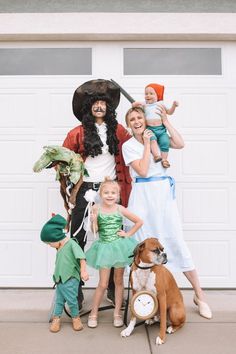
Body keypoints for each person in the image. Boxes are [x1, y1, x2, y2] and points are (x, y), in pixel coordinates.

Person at [122, 106, 212, 320]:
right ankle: (143, 299)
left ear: (146, 119)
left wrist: (165, 122)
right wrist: (146, 143)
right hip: (143, 197)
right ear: (129, 125)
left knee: (176, 242)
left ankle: (200, 296)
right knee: (141, 246)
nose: (136, 121)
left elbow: (180, 143)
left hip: (163, 196)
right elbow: (142, 170)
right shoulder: (129, 145)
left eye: (139, 117)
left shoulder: (157, 135)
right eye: (132, 119)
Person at [62, 79, 132, 309]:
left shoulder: (119, 131)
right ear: (89, 107)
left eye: (103, 103)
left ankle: (113, 288)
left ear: (109, 108)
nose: (99, 106)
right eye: (95, 103)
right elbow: (64, 159)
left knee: (112, 239)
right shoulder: (77, 133)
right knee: (78, 238)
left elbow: (136, 146)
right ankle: (75, 291)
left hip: (110, 190)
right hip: (85, 189)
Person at [85, 178, 142, 328]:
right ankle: (94, 313)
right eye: (106, 193)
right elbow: (94, 231)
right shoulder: (96, 208)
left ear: (117, 195)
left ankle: (117, 313)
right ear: (101, 194)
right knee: (103, 284)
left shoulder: (120, 208)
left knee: (118, 281)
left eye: (113, 193)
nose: (110, 195)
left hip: (119, 248)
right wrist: (93, 220)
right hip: (104, 247)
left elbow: (139, 222)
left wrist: (128, 235)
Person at [40, 214, 89, 333]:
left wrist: (83, 271)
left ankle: (75, 318)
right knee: (59, 300)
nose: (50, 246)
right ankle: (56, 319)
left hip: (71, 278)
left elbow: (82, 257)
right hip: (60, 279)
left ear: (56, 237)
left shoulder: (72, 244)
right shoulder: (59, 247)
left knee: (72, 300)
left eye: (50, 243)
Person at [133, 83, 178, 168]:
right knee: (152, 140)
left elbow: (170, 112)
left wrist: (174, 106)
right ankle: (157, 156)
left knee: (165, 142)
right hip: (150, 129)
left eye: (151, 93)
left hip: (161, 130)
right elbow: (134, 105)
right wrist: (136, 104)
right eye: (146, 94)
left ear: (157, 95)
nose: (148, 96)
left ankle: (164, 160)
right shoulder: (144, 104)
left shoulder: (161, 104)